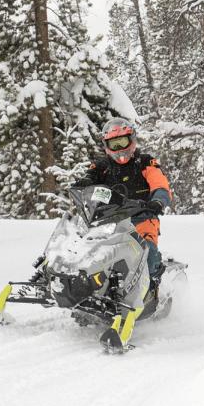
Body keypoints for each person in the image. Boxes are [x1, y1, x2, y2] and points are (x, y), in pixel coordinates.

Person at [72, 117, 172, 290]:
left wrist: (158, 201)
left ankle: (153, 289)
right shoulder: (101, 166)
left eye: (122, 142)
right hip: (109, 220)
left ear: (131, 140)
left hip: (142, 219)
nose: (119, 149)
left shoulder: (145, 162)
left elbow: (160, 184)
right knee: (86, 251)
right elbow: (89, 178)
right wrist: (83, 184)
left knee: (146, 252)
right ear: (107, 146)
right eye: (114, 144)